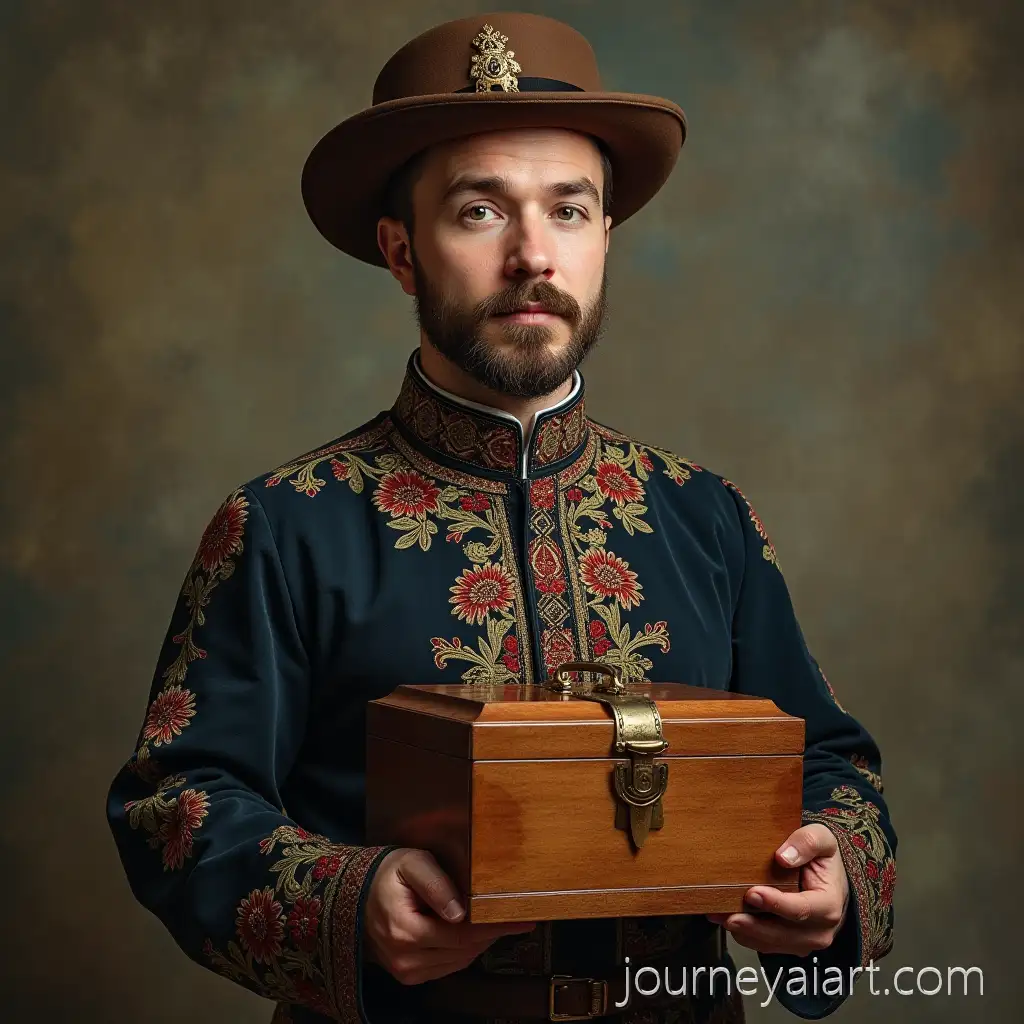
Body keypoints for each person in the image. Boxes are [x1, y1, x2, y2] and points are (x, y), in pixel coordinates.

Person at [107, 12, 896, 1024]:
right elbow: (175, 800)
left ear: (605, 236)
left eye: (568, 210)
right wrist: (349, 906)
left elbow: (830, 765)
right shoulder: (284, 525)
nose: (533, 254)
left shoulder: (705, 516)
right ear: (401, 251)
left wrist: (829, 874)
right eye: (480, 212)